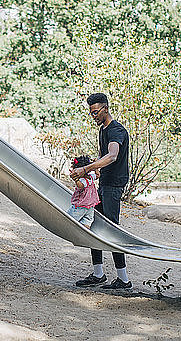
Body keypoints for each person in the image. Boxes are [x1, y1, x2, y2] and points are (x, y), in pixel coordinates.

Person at [71, 93, 132, 290]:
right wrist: (89, 176)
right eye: (91, 113)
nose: (93, 116)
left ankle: (123, 279)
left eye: (96, 112)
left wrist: (85, 170)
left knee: (112, 229)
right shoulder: (103, 130)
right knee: (93, 224)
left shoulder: (116, 131)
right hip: (104, 183)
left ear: (105, 108)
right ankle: (98, 274)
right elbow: (102, 157)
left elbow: (112, 155)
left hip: (114, 185)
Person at [67, 156, 100, 228]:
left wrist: (76, 180)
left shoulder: (82, 180)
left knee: (68, 220)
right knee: (87, 221)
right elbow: (98, 175)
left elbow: (81, 186)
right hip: (90, 207)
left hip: (80, 207)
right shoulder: (91, 177)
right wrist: (95, 166)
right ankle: (85, 230)